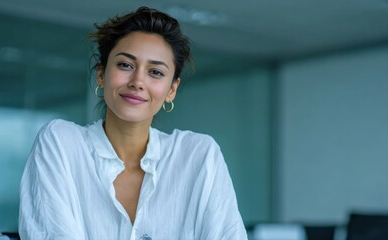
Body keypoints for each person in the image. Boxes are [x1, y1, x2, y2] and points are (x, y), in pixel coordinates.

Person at [19, 6, 247, 240]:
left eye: (156, 72)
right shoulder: (61, 143)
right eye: (125, 65)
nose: (138, 81)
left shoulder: (198, 155)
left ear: (172, 90)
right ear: (101, 74)